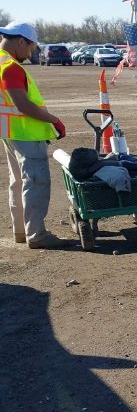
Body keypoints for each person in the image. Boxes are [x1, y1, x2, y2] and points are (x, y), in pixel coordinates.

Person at [0, 21, 67, 248]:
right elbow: (23, 105)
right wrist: (54, 120)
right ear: (20, 41)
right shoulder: (10, 67)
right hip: (27, 135)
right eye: (31, 48)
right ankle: (37, 234)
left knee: (17, 182)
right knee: (36, 182)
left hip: (9, 133)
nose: (30, 53)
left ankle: (22, 232)